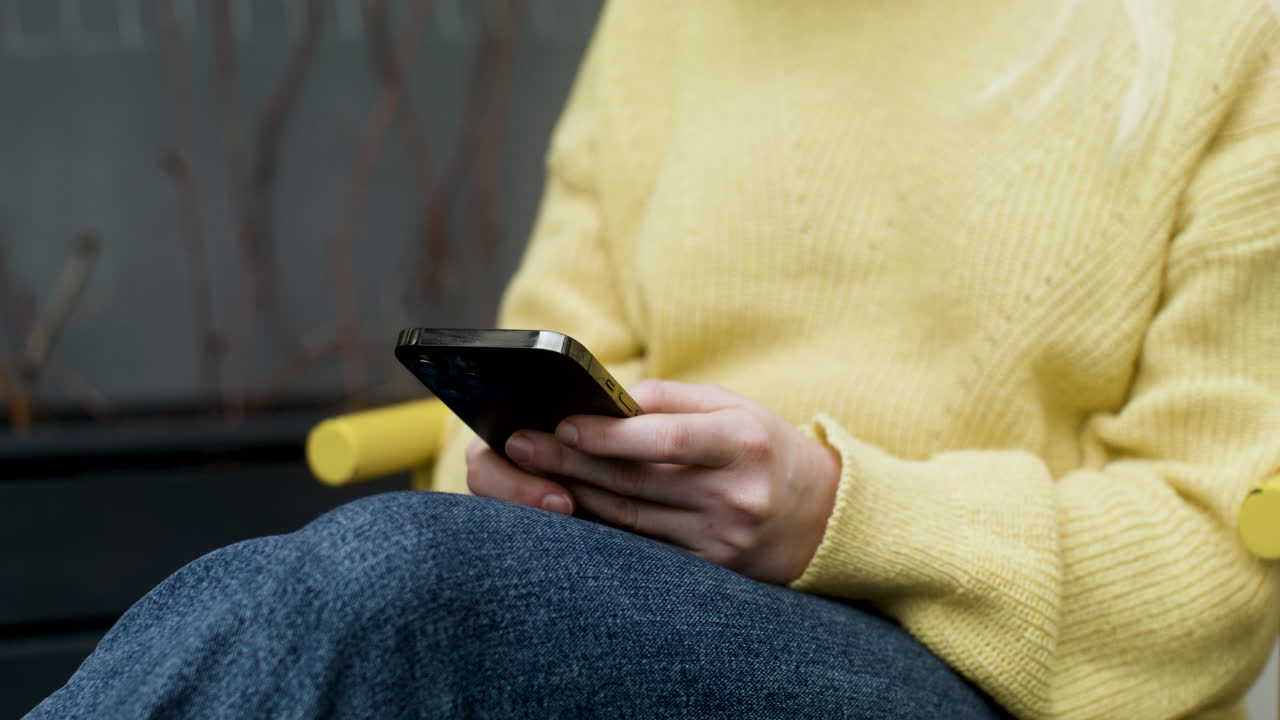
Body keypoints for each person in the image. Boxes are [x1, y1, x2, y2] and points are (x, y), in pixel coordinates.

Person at [28, 1, 1280, 718]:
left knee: (395, 588)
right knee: (399, 585)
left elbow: (1210, 574)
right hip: (617, 598)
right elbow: (549, 340)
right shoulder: (669, 15)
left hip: (989, 685)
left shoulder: (1227, 35)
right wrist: (519, 463)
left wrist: (834, 516)